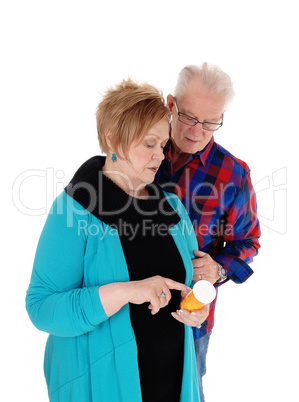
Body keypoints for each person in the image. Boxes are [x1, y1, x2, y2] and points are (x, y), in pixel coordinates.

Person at [25, 78, 208, 402]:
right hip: (99, 388)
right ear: (112, 138)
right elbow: (41, 307)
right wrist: (127, 291)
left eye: (163, 145)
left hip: (174, 386)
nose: (160, 156)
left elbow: (184, 286)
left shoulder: (173, 208)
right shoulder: (76, 209)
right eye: (148, 144)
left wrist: (195, 309)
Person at [156, 63, 261, 401]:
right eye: (188, 117)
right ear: (171, 104)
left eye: (210, 122)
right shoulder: (141, 151)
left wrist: (217, 268)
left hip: (192, 319)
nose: (196, 132)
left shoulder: (234, 174)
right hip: (129, 304)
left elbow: (247, 242)